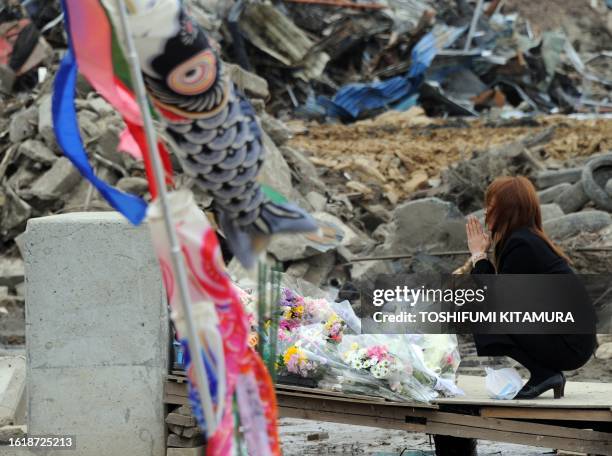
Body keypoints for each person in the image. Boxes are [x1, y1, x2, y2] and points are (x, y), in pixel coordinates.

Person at [465, 176, 596, 399]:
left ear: (509, 209)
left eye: (492, 206)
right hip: (572, 339)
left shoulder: (522, 244)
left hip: (570, 343)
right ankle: (544, 372)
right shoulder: (525, 239)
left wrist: (478, 255)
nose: (485, 212)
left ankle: (543, 373)